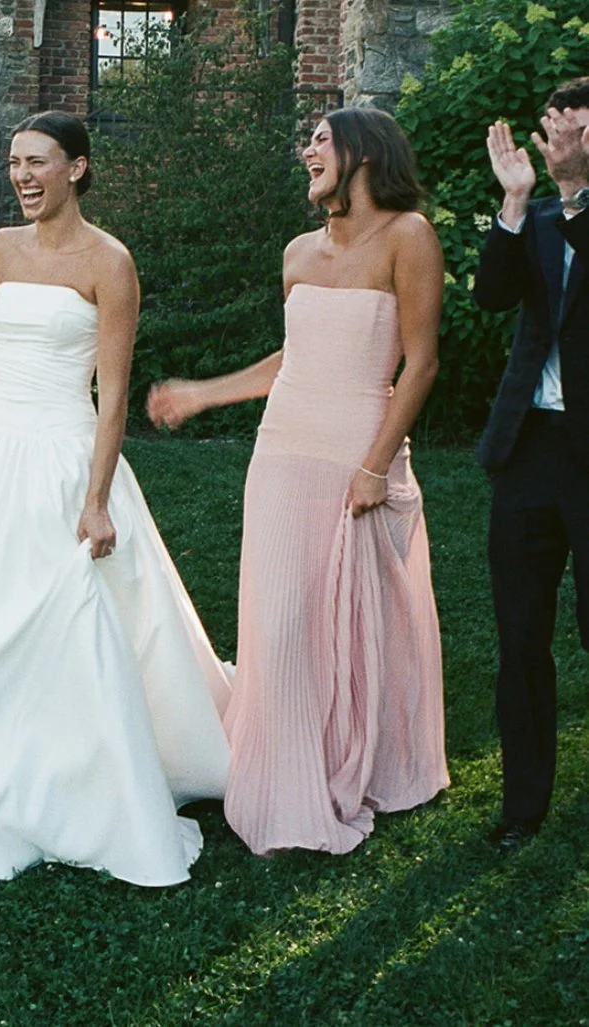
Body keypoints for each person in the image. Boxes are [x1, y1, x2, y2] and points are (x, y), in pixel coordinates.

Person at [0, 112, 232, 899]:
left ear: (77, 169)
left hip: (64, 460)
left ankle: (82, 788)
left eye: (39, 163)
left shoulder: (109, 261)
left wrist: (95, 499)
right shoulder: (0, 247)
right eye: (15, 163)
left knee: (63, 628)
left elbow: (113, 391)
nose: (22, 177)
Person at [149, 108, 449, 856]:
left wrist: (377, 464)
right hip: (282, 453)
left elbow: (421, 362)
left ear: (365, 154)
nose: (307, 150)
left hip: (359, 448)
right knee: (279, 620)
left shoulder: (408, 236)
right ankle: (283, 766)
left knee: (356, 618)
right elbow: (293, 357)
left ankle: (363, 758)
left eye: (321, 138)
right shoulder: (296, 252)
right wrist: (203, 392)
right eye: (307, 140)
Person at [474, 79, 589, 850]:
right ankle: (524, 807)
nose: (550, 134)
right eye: (549, 123)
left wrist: (576, 191)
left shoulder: (574, 215)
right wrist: (514, 205)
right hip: (528, 452)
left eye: (568, 122)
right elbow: (489, 295)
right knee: (520, 634)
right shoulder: (536, 218)